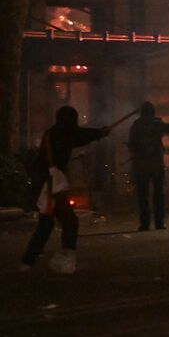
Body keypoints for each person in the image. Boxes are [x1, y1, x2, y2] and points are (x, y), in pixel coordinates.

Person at [20, 106, 110, 272]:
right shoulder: (63, 134)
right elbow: (79, 136)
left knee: (46, 225)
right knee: (69, 221)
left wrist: (99, 132)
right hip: (51, 187)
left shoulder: (52, 133)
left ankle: (27, 261)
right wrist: (99, 133)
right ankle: (66, 259)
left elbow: (79, 135)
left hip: (45, 184)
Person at [128, 102, 169, 231]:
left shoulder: (136, 126)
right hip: (155, 164)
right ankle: (159, 223)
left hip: (141, 165)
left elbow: (131, 145)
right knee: (158, 194)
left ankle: (144, 224)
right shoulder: (156, 124)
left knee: (143, 195)